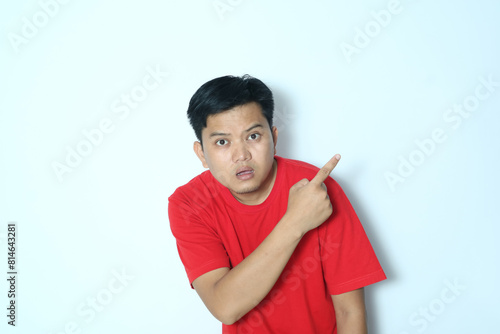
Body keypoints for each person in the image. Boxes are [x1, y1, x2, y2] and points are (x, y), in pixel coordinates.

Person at [168, 74, 386, 333]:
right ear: (202, 153)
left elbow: (349, 312)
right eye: (222, 142)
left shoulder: (317, 190)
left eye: (253, 136)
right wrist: (295, 222)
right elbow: (225, 306)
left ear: (274, 138)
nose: (242, 155)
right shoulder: (190, 204)